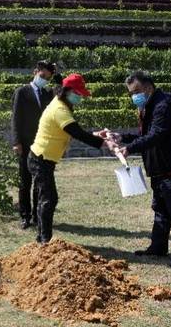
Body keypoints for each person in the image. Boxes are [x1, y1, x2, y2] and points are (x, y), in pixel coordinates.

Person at [111, 71, 171, 268]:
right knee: (160, 209)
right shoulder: (148, 106)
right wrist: (123, 138)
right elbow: (146, 135)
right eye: (131, 93)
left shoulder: (163, 105)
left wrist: (129, 148)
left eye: (137, 91)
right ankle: (158, 246)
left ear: (148, 87)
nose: (134, 96)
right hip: (159, 169)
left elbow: (156, 135)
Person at [29, 73, 115, 244]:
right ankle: (45, 241)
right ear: (67, 91)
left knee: (47, 198)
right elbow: (76, 132)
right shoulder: (59, 109)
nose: (80, 97)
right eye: (78, 93)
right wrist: (105, 144)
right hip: (41, 158)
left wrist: (96, 135)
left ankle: (42, 238)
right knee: (48, 199)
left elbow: (73, 130)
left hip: (44, 158)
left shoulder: (62, 105)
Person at [11, 61, 57, 229]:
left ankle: (39, 216)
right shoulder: (21, 92)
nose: (44, 79)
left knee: (41, 181)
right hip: (25, 143)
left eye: (48, 78)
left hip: (42, 143)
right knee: (25, 181)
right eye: (43, 76)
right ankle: (25, 216)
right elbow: (16, 118)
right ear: (35, 72)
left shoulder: (48, 93)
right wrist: (16, 141)